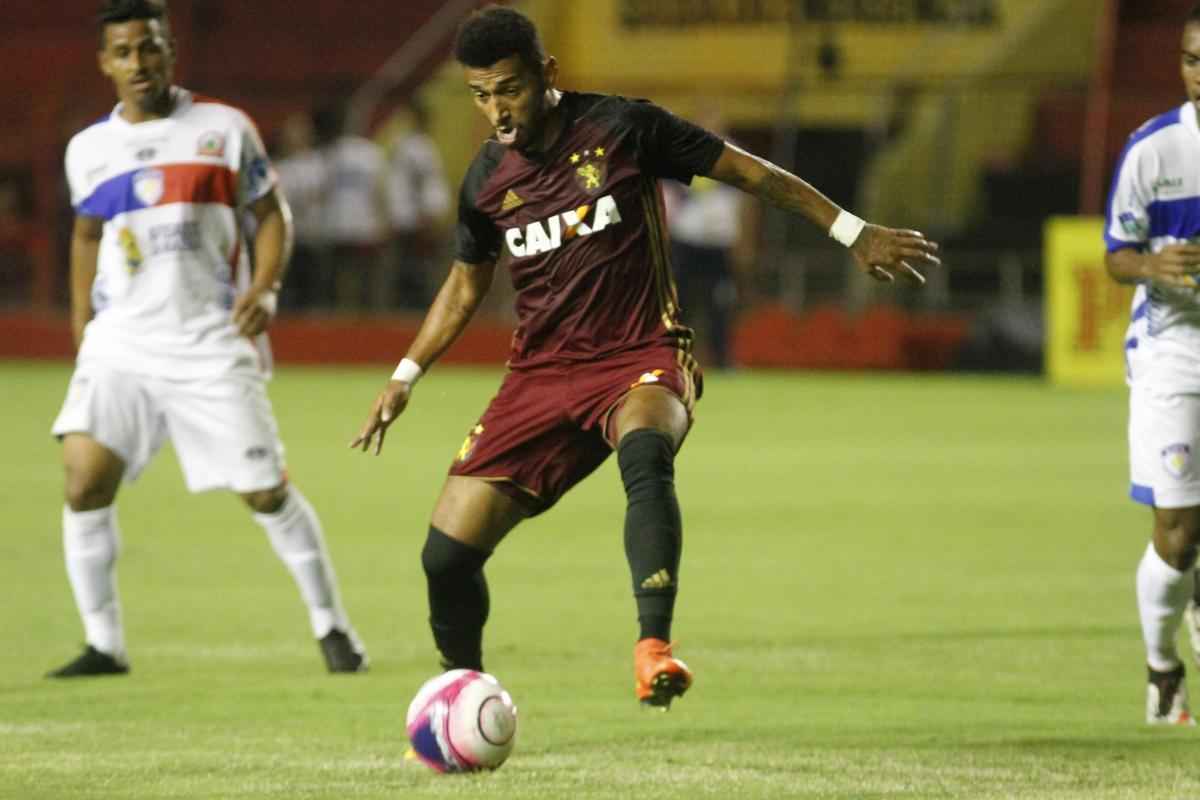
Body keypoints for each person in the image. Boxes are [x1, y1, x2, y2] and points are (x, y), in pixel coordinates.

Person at [351, 5, 937, 708]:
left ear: (546, 74)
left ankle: (653, 647)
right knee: (445, 556)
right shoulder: (484, 179)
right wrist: (406, 374)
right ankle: (463, 694)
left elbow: (749, 173)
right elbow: (466, 281)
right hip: (539, 375)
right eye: (480, 95)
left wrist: (851, 230)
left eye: (508, 88)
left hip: (640, 352)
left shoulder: (623, 128)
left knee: (646, 449)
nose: (497, 110)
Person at [48, 0, 367, 677]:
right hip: (123, 346)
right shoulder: (88, 151)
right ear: (105, 62)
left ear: (170, 52)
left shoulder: (223, 129)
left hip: (210, 341)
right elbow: (84, 235)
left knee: (264, 492)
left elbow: (271, 214)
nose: (141, 62)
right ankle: (104, 644)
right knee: (83, 481)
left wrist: (269, 286)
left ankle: (332, 626)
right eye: (125, 52)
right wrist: (83, 327)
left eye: (151, 47)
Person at [1105, 1, 1200, 727]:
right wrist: (1154, 265)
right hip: (1174, 350)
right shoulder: (1154, 150)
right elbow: (1114, 258)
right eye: (1194, 61)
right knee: (1177, 528)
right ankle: (1162, 663)